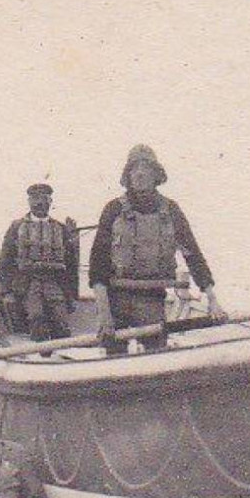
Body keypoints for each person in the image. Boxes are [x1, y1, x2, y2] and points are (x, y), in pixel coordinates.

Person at [88, 145, 227, 354]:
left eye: (146, 168)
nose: (140, 173)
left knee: (156, 353)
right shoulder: (113, 209)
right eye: (134, 168)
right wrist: (104, 316)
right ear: (128, 175)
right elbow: (97, 266)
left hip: (151, 298)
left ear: (156, 175)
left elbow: (194, 256)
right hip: (116, 299)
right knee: (113, 358)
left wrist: (213, 301)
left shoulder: (171, 210)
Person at [0, 183, 80, 342]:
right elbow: (5, 260)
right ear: (29, 202)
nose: (40, 203)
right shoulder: (16, 227)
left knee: (61, 322)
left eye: (44, 199)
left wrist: (73, 295)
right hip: (27, 283)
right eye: (35, 199)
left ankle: (62, 357)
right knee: (36, 318)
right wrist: (7, 292)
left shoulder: (60, 228)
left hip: (55, 282)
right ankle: (41, 355)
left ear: (50, 202)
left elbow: (71, 264)